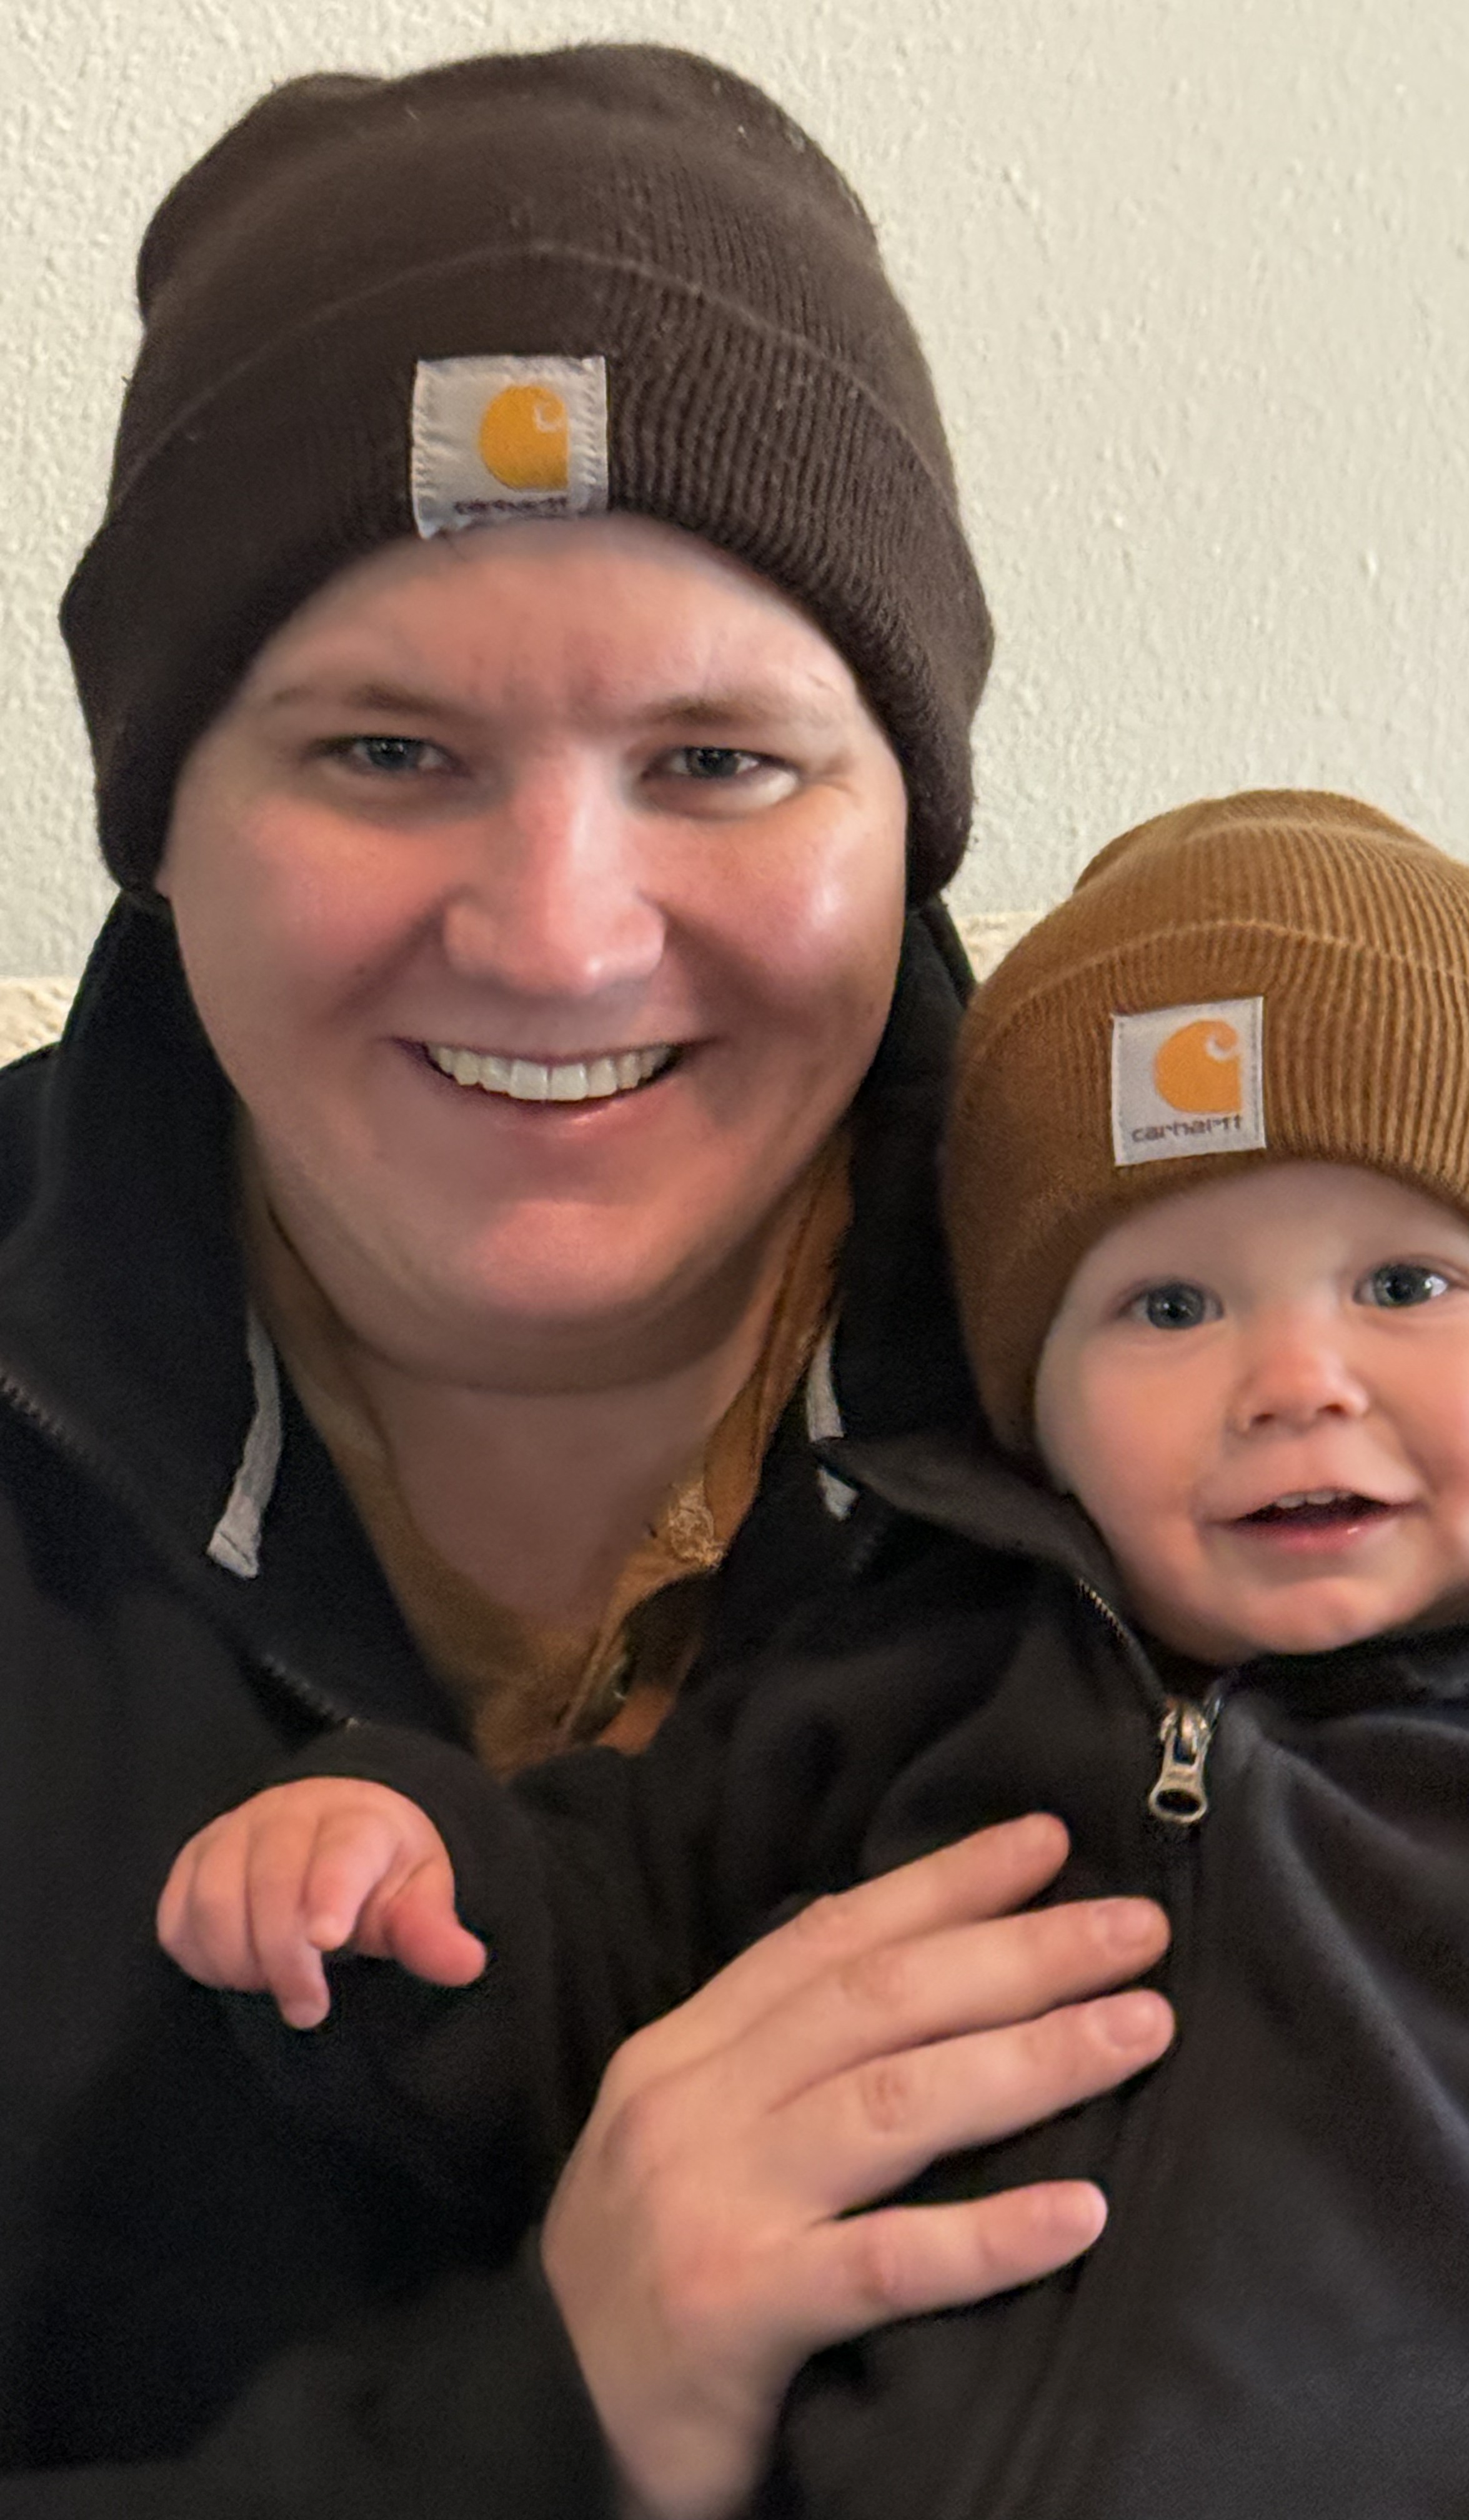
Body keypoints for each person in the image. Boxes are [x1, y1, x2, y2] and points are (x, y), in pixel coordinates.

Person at [164, 792, 1469, 2520]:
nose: (1298, 1379)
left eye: (1410, 1285)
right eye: (1169, 1307)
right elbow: (601, 1929)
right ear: (1032, 1409)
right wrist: (401, 1881)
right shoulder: (907, 1665)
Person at [0, 46, 1185, 2518]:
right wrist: (548, 2414)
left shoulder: (1356, 1343)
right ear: (161, 820)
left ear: (904, 808)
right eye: (381, 753)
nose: (557, 936)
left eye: (722, 763)